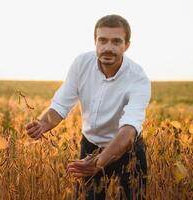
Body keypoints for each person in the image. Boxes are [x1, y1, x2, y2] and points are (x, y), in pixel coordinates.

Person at [25, 14, 151, 200]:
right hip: (90, 146)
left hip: (128, 151)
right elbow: (61, 104)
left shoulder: (138, 78)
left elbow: (130, 129)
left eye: (116, 41)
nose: (108, 48)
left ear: (127, 45)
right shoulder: (81, 64)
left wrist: (100, 161)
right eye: (103, 40)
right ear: (95, 41)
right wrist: (43, 123)